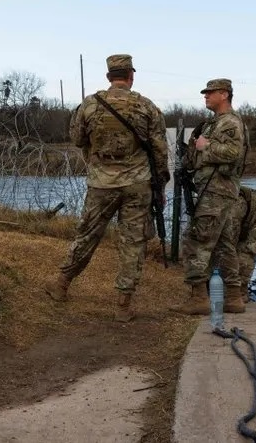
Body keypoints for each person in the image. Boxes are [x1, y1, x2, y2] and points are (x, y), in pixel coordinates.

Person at [44, 54, 169, 323]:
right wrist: (160, 185)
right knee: (133, 241)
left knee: (87, 233)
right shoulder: (146, 106)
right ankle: (123, 304)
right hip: (138, 183)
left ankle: (61, 284)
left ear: (109, 76)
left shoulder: (90, 104)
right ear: (131, 76)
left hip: (102, 181)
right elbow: (160, 150)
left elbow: (77, 138)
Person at [171, 78, 248, 315]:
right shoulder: (214, 124)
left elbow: (233, 154)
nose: (205, 96)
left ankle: (198, 299)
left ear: (224, 94)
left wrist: (206, 147)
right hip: (216, 191)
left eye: (210, 93)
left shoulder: (229, 123)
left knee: (196, 240)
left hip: (216, 192)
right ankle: (234, 298)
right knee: (225, 245)